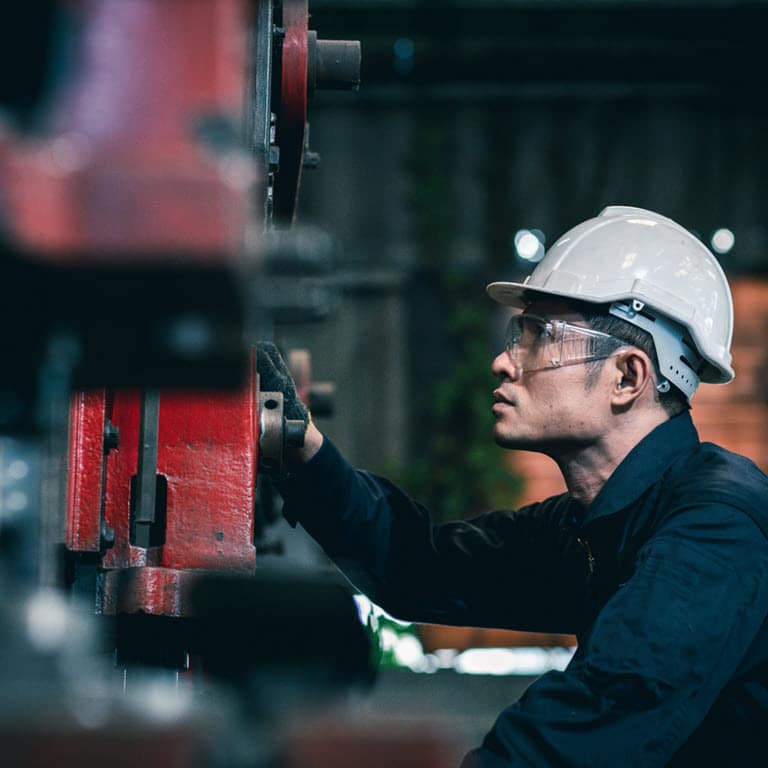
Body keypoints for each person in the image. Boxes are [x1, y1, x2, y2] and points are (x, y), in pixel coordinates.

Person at [257, 206, 768, 766]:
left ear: (627, 377)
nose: (503, 362)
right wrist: (301, 448)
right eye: (515, 335)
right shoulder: (594, 525)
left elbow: (594, 722)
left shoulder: (716, 529)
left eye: (539, 336)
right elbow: (419, 566)